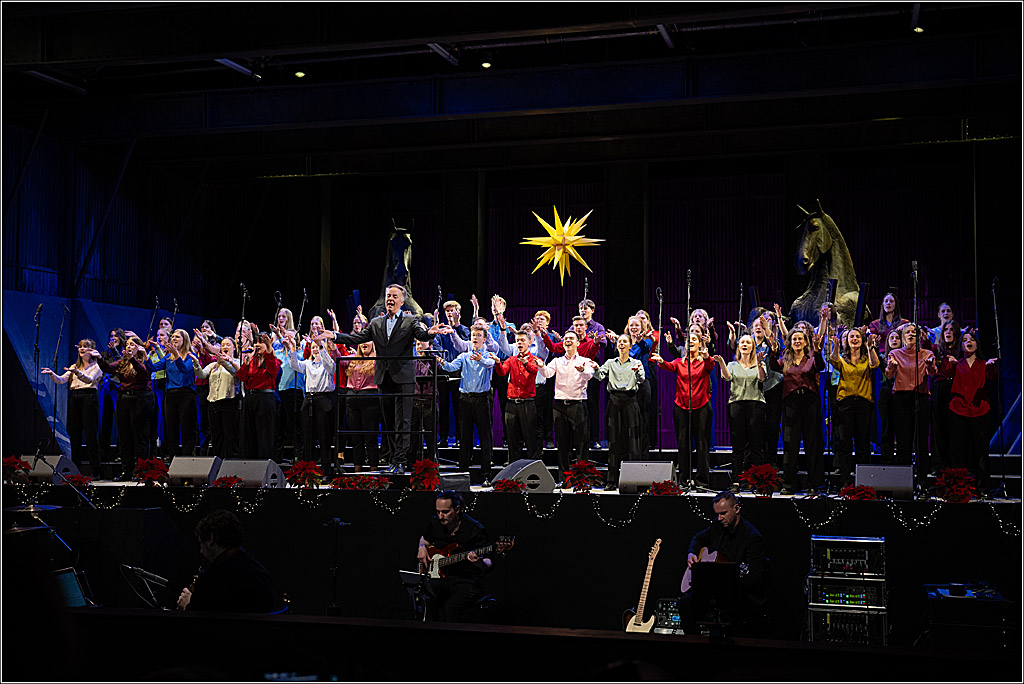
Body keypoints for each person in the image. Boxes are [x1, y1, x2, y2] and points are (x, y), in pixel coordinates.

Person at [321, 284, 450, 473]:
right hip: (384, 378)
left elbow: (422, 334)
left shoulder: (410, 320)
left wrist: (431, 332)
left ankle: (400, 461)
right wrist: (334, 335)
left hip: (404, 378)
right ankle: (393, 459)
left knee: (403, 421)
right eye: (388, 295)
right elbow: (357, 339)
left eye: (394, 296)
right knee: (389, 422)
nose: (390, 299)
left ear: (402, 301)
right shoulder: (375, 323)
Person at [678, 491, 768, 634]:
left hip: (739, 594)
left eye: (723, 513)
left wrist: (727, 581)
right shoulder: (717, 525)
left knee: (723, 613)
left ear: (736, 509)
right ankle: (694, 646)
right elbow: (698, 539)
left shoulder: (752, 539)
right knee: (685, 603)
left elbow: (755, 578)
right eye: (717, 514)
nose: (719, 518)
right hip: (714, 591)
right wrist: (692, 553)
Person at [766, 309, 827, 495]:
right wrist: (773, 350)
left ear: (806, 341)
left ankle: (814, 484)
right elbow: (774, 366)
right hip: (791, 402)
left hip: (810, 402)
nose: (797, 341)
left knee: (812, 442)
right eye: (794, 339)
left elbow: (821, 366)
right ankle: (789, 483)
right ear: (790, 342)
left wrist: (817, 352)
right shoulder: (785, 358)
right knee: (790, 443)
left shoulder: (811, 357)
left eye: (800, 339)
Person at [176, 509, 275, 613]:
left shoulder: (213, 579)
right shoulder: (260, 572)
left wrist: (188, 605)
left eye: (201, 543)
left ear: (210, 538)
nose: (201, 551)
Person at [416, 491, 492, 623]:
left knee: (451, 608)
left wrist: (478, 562)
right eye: (438, 511)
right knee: (426, 600)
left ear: (457, 509)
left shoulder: (475, 529)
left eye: (445, 512)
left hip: (465, 580)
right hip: (440, 578)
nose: (440, 516)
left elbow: (489, 562)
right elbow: (425, 538)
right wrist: (421, 547)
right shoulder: (435, 522)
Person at [651, 330, 714, 486]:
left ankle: (702, 481)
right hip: (681, 406)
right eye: (688, 340)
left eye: (694, 339)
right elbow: (668, 366)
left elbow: (711, 366)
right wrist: (660, 360)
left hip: (701, 406)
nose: (690, 342)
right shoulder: (680, 362)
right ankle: (684, 479)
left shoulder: (704, 361)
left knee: (701, 444)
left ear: (700, 344)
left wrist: (706, 356)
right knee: (683, 444)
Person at [89, 335, 153, 480]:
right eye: (127, 345)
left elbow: (144, 374)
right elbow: (109, 369)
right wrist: (99, 357)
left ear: (139, 347)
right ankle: (127, 471)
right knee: (125, 436)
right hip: (124, 398)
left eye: (132, 344)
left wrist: (132, 359)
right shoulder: (122, 362)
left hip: (141, 399)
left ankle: (141, 472)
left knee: (140, 437)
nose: (129, 346)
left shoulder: (145, 361)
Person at [945, 330, 999, 496]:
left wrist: (991, 367)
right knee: (957, 451)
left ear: (977, 344)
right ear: (961, 345)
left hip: (979, 410)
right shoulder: (957, 363)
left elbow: (992, 377)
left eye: (972, 340)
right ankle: (956, 487)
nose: (968, 342)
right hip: (958, 410)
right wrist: (950, 365)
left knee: (981, 451)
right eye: (965, 340)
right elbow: (946, 374)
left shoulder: (983, 364)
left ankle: (982, 488)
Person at [439, 324, 496, 479]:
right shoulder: (464, 355)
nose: (475, 338)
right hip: (465, 399)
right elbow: (451, 368)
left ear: (484, 339)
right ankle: (463, 472)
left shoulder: (489, 354)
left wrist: (480, 360)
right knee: (465, 437)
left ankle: (486, 473)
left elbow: (490, 364)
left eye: (478, 335)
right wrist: (442, 362)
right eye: (473, 335)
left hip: (482, 399)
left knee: (485, 436)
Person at [711, 334, 767, 491]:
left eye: (748, 342)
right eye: (742, 342)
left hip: (756, 405)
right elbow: (727, 377)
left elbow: (762, 379)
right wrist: (721, 362)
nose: (745, 344)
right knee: (738, 446)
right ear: (738, 346)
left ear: (752, 347)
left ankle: (758, 481)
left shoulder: (759, 363)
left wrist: (761, 364)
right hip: (736, 405)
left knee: (756, 446)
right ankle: (736, 481)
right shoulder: (732, 364)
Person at [538, 331, 596, 481]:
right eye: (565, 339)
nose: (567, 341)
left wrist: (582, 370)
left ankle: (583, 479)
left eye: (571, 339)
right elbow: (547, 374)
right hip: (559, 406)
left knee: (582, 443)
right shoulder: (557, 361)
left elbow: (590, 374)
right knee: (562, 444)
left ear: (578, 343)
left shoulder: (585, 360)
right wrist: (541, 366)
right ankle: (564, 478)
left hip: (578, 404)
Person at [884, 323, 937, 481]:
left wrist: (929, 366)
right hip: (901, 399)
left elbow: (933, 372)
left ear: (919, 336)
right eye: (908, 332)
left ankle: (922, 481)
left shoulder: (926, 353)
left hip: (920, 397)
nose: (911, 334)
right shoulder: (895, 353)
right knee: (903, 442)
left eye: (914, 332)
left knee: (921, 442)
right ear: (903, 336)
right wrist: (891, 367)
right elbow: (888, 375)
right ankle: (903, 482)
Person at [42, 339, 103, 476]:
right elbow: (62, 380)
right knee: (74, 434)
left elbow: (90, 379)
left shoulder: (97, 366)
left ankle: (96, 470)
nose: (82, 349)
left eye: (85, 347)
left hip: (89, 397)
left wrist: (76, 372)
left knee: (90, 434)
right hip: (75, 397)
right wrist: (52, 374)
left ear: (92, 350)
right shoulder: (75, 366)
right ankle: (76, 470)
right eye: (80, 346)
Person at [829, 327, 880, 488]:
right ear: (847, 340)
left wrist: (870, 347)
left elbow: (875, 364)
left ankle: (863, 482)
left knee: (862, 443)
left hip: (863, 404)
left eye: (858, 336)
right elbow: (833, 361)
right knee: (844, 443)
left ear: (862, 340)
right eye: (852, 336)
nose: (855, 339)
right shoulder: (843, 359)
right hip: (845, 404)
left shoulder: (866, 358)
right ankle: (845, 481)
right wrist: (836, 345)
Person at [592, 334, 645, 489]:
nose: (622, 344)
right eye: (620, 342)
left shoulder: (636, 362)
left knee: (632, 441)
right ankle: (612, 480)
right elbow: (599, 376)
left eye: (625, 342)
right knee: (614, 440)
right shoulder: (610, 363)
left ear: (630, 345)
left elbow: (641, 379)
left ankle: (633, 480)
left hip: (630, 400)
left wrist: (637, 372)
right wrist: (594, 368)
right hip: (614, 400)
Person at [284, 332, 337, 475]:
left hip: (323, 400)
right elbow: (295, 364)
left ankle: (326, 471)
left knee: (324, 437)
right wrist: (293, 349)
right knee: (308, 438)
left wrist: (321, 346)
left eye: (317, 347)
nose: (315, 349)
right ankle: (308, 472)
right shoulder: (308, 364)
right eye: (313, 347)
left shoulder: (329, 364)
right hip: (309, 400)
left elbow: (328, 363)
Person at [146, 328, 199, 458]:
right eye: (173, 337)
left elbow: (185, 369)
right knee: (171, 428)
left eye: (177, 337)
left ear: (184, 340)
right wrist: (145, 357)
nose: (174, 339)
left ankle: (187, 458)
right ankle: (172, 458)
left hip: (186, 394)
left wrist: (176, 355)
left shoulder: (191, 355)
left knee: (187, 428)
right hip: (170, 394)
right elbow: (153, 368)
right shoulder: (168, 357)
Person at [495, 326, 543, 464]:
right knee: (512, 438)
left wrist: (526, 362)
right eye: (517, 341)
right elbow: (502, 372)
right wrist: (498, 363)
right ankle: (512, 467)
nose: (520, 343)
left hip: (527, 403)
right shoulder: (511, 360)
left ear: (529, 343)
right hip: (511, 404)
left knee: (530, 438)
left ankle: (532, 466)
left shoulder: (534, 359)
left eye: (522, 340)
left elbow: (533, 370)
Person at [236, 323, 282, 463]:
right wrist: (246, 362)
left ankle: (264, 465)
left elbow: (272, 372)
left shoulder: (274, 360)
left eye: (260, 343)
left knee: (264, 434)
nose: (257, 345)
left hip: (265, 399)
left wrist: (268, 348)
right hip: (250, 398)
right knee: (248, 434)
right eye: (256, 342)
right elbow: (242, 377)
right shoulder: (252, 360)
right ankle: (248, 465)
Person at [191, 336, 240, 459]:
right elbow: (202, 375)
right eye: (223, 345)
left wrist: (225, 362)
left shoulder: (237, 362)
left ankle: (231, 463)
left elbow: (236, 373)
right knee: (216, 435)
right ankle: (218, 462)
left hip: (229, 403)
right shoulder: (213, 365)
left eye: (228, 345)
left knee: (230, 435)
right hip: (213, 404)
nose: (225, 347)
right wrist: (196, 363)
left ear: (234, 348)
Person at [339, 341, 381, 471]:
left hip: (369, 398)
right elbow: (337, 358)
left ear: (373, 344)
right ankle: (357, 472)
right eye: (361, 341)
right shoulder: (353, 358)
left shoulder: (376, 359)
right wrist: (331, 343)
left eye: (367, 341)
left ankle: (373, 470)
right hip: (352, 398)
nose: (364, 344)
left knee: (370, 437)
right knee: (356, 437)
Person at [436, 299, 471, 448]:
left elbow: (465, 345)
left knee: (459, 407)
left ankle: (459, 438)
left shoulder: (464, 329)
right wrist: (445, 364)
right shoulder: (441, 330)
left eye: (452, 311)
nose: (450, 313)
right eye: (448, 311)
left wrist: (456, 326)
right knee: (443, 406)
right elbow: (436, 345)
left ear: (458, 312)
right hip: (444, 372)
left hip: (459, 372)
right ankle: (443, 438)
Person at [929, 320, 962, 472]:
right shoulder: (936, 349)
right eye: (945, 330)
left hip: (956, 387)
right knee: (938, 426)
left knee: (955, 427)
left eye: (951, 329)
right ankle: (938, 464)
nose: (948, 332)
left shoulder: (960, 350)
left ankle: (955, 465)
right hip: (939, 387)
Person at [579, 298, 608, 450]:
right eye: (581, 308)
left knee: (592, 404)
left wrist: (589, 339)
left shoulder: (597, 326)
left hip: (591, 367)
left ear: (592, 310)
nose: (583, 311)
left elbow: (603, 343)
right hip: (577, 370)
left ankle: (594, 439)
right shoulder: (575, 326)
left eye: (586, 308)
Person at [867, 291, 910, 356]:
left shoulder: (904, 323)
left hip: (901, 355)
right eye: (886, 301)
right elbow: (871, 338)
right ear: (883, 304)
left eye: (891, 301)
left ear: (896, 304)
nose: (888, 303)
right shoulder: (874, 324)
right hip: (882, 356)